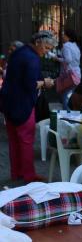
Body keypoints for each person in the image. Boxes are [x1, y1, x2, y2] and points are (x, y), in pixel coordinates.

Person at [0, 31, 57, 183]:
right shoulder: (32, 58)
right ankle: (28, 176)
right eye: (46, 48)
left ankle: (16, 173)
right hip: (22, 104)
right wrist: (45, 82)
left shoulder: (19, 51)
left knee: (13, 141)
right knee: (26, 141)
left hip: (8, 102)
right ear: (38, 42)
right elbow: (30, 84)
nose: (46, 52)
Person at [54, 29, 81, 110]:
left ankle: (67, 114)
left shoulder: (66, 46)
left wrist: (57, 59)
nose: (62, 37)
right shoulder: (75, 45)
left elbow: (68, 60)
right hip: (76, 73)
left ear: (68, 37)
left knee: (64, 96)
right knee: (67, 94)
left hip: (69, 74)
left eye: (64, 35)